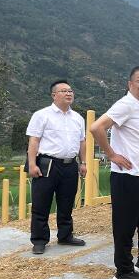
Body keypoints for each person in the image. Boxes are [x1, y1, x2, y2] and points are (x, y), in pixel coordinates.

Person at [90, 66, 139, 279]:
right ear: (130, 84)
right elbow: (96, 128)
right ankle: (123, 270)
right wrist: (112, 155)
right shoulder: (126, 104)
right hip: (126, 177)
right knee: (125, 226)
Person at [26, 80, 87, 255]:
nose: (69, 93)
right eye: (64, 91)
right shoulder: (42, 115)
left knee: (67, 203)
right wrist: (32, 164)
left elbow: (82, 142)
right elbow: (34, 141)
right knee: (41, 203)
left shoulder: (78, 118)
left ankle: (65, 235)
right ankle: (39, 240)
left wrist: (83, 162)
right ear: (54, 95)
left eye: (70, 91)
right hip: (47, 164)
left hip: (70, 165)